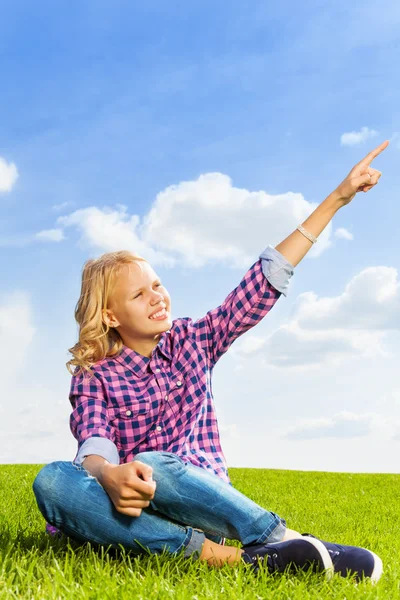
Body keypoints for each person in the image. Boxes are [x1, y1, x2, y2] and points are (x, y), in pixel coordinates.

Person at [33, 141, 389, 582]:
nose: (157, 297)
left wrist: (337, 197)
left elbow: (258, 286)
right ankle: (237, 558)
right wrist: (108, 475)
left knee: (157, 462)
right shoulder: (94, 376)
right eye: (139, 294)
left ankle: (276, 535)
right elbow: (94, 443)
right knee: (52, 481)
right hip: (129, 507)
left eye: (157, 284)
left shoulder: (193, 339)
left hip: (193, 497)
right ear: (110, 315)